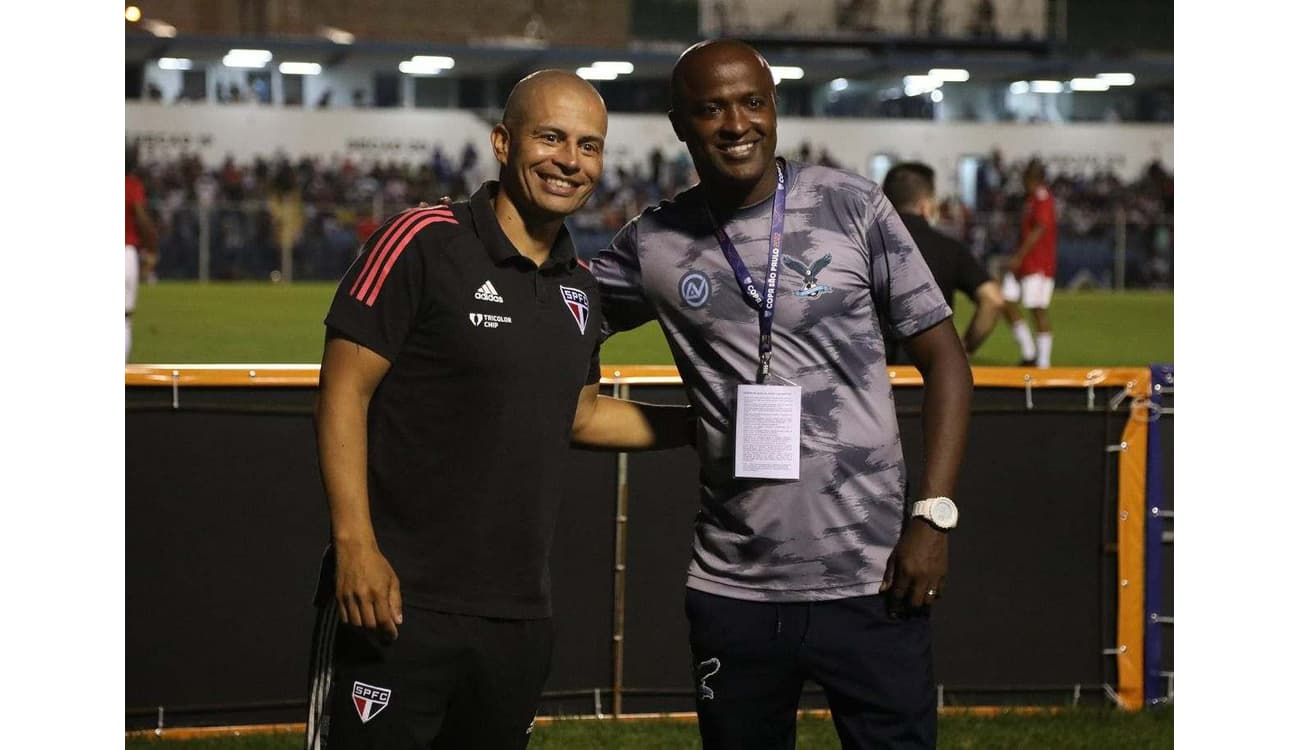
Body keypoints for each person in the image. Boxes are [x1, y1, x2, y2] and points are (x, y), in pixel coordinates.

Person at [591, 39, 973, 749]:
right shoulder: (654, 244)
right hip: (734, 588)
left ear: (774, 107)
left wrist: (933, 517)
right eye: (710, 109)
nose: (736, 123)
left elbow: (945, 359)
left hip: (877, 575)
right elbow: (554, 325)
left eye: (752, 102)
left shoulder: (851, 205)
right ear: (680, 125)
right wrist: (692, 425)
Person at [303, 70, 692, 750]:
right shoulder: (424, 239)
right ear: (503, 143)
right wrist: (356, 548)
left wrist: (701, 425)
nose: (570, 160)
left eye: (589, 145)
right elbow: (342, 391)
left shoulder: (580, 289)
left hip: (517, 619)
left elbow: (581, 415)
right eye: (550, 138)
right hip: (397, 602)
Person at [881, 161, 1004, 362]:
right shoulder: (949, 248)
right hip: (930, 378)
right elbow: (993, 299)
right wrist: (964, 349)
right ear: (926, 205)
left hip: (871, 379)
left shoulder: (861, 248)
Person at [1000, 158, 1058, 367]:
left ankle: (1043, 363)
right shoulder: (1031, 199)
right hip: (1025, 263)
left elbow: (1039, 229)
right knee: (1004, 300)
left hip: (1038, 263)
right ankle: (1029, 352)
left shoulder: (1043, 199)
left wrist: (1019, 256)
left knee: (1037, 309)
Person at [125, 144, 156, 361]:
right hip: (123, 252)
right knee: (123, 318)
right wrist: (152, 247)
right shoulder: (130, 185)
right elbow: (141, 218)